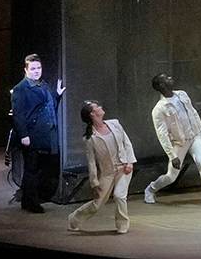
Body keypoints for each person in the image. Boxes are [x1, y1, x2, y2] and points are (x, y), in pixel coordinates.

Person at [143, 73, 201, 205]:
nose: (171, 78)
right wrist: (172, 155)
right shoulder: (159, 109)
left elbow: (194, 113)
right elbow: (162, 134)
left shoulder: (182, 94)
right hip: (179, 142)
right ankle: (151, 189)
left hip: (194, 137)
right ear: (162, 85)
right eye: (167, 78)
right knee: (171, 176)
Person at [68, 100, 136, 234]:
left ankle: (122, 226)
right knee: (97, 204)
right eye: (97, 107)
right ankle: (74, 219)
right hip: (107, 173)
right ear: (92, 114)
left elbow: (127, 143)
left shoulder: (115, 124)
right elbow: (91, 162)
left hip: (123, 168)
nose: (101, 107)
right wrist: (94, 182)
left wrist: (130, 162)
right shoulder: (90, 138)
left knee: (119, 196)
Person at [11, 54, 64, 213]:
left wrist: (57, 95)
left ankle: (30, 199)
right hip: (32, 134)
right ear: (26, 70)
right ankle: (31, 202)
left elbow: (46, 104)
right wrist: (24, 135)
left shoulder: (43, 85)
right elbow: (18, 114)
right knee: (32, 169)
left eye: (38, 68)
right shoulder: (21, 89)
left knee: (39, 169)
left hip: (45, 134)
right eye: (33, 68)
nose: (36, 71)